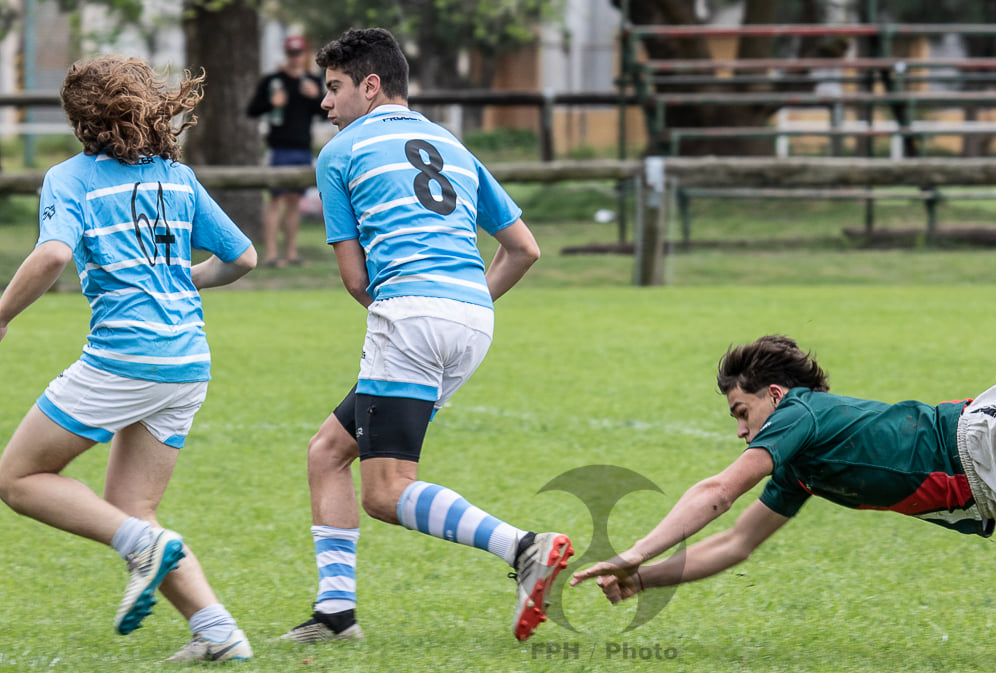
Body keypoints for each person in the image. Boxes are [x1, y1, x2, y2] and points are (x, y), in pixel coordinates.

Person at [571, 294, 996, 619]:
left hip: (984, 434)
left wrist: (633, 550)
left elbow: (718, 490)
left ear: (776, 395)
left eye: (742, 413)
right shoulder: (799, 463)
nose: (741, 433)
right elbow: (734, 545)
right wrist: (638, 579)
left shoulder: (798, 415)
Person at [278, 27, 572, 644]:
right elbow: (523, 249)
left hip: (409, 316)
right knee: (328, 452)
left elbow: (356, 279)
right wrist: (462, 300)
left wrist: (414, 303)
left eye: (333, 89)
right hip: (472, 319)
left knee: (386, 492)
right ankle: (335, 616)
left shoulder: (340, 152)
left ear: (371, 85)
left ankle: (524, 548)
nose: (325, 105)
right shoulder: (453, 145)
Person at [0, 56, 258, 662]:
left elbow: (51, 256)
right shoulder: (177, 176)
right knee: (132, 508)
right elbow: (243, 258)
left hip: (125, 359)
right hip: (188, 362)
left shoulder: (72, 179)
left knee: (17, 478)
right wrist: (182, 278)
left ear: (78, 119)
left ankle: (142, 546)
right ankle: (218, 632)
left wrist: (3, 312)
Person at [245, 34, 325, 267]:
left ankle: (291, 253)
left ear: (305, 54)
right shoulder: (273, 81)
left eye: (299, 53)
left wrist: (316, 97)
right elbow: (252, 110)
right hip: (278, 148)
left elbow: (324, 114)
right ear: (286, 54)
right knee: (275, 200)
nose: (295, 57)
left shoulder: (311, 81)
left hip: (302, 147)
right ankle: (271, 254)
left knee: (294, 202)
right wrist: (273, 103)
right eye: (291, 53)